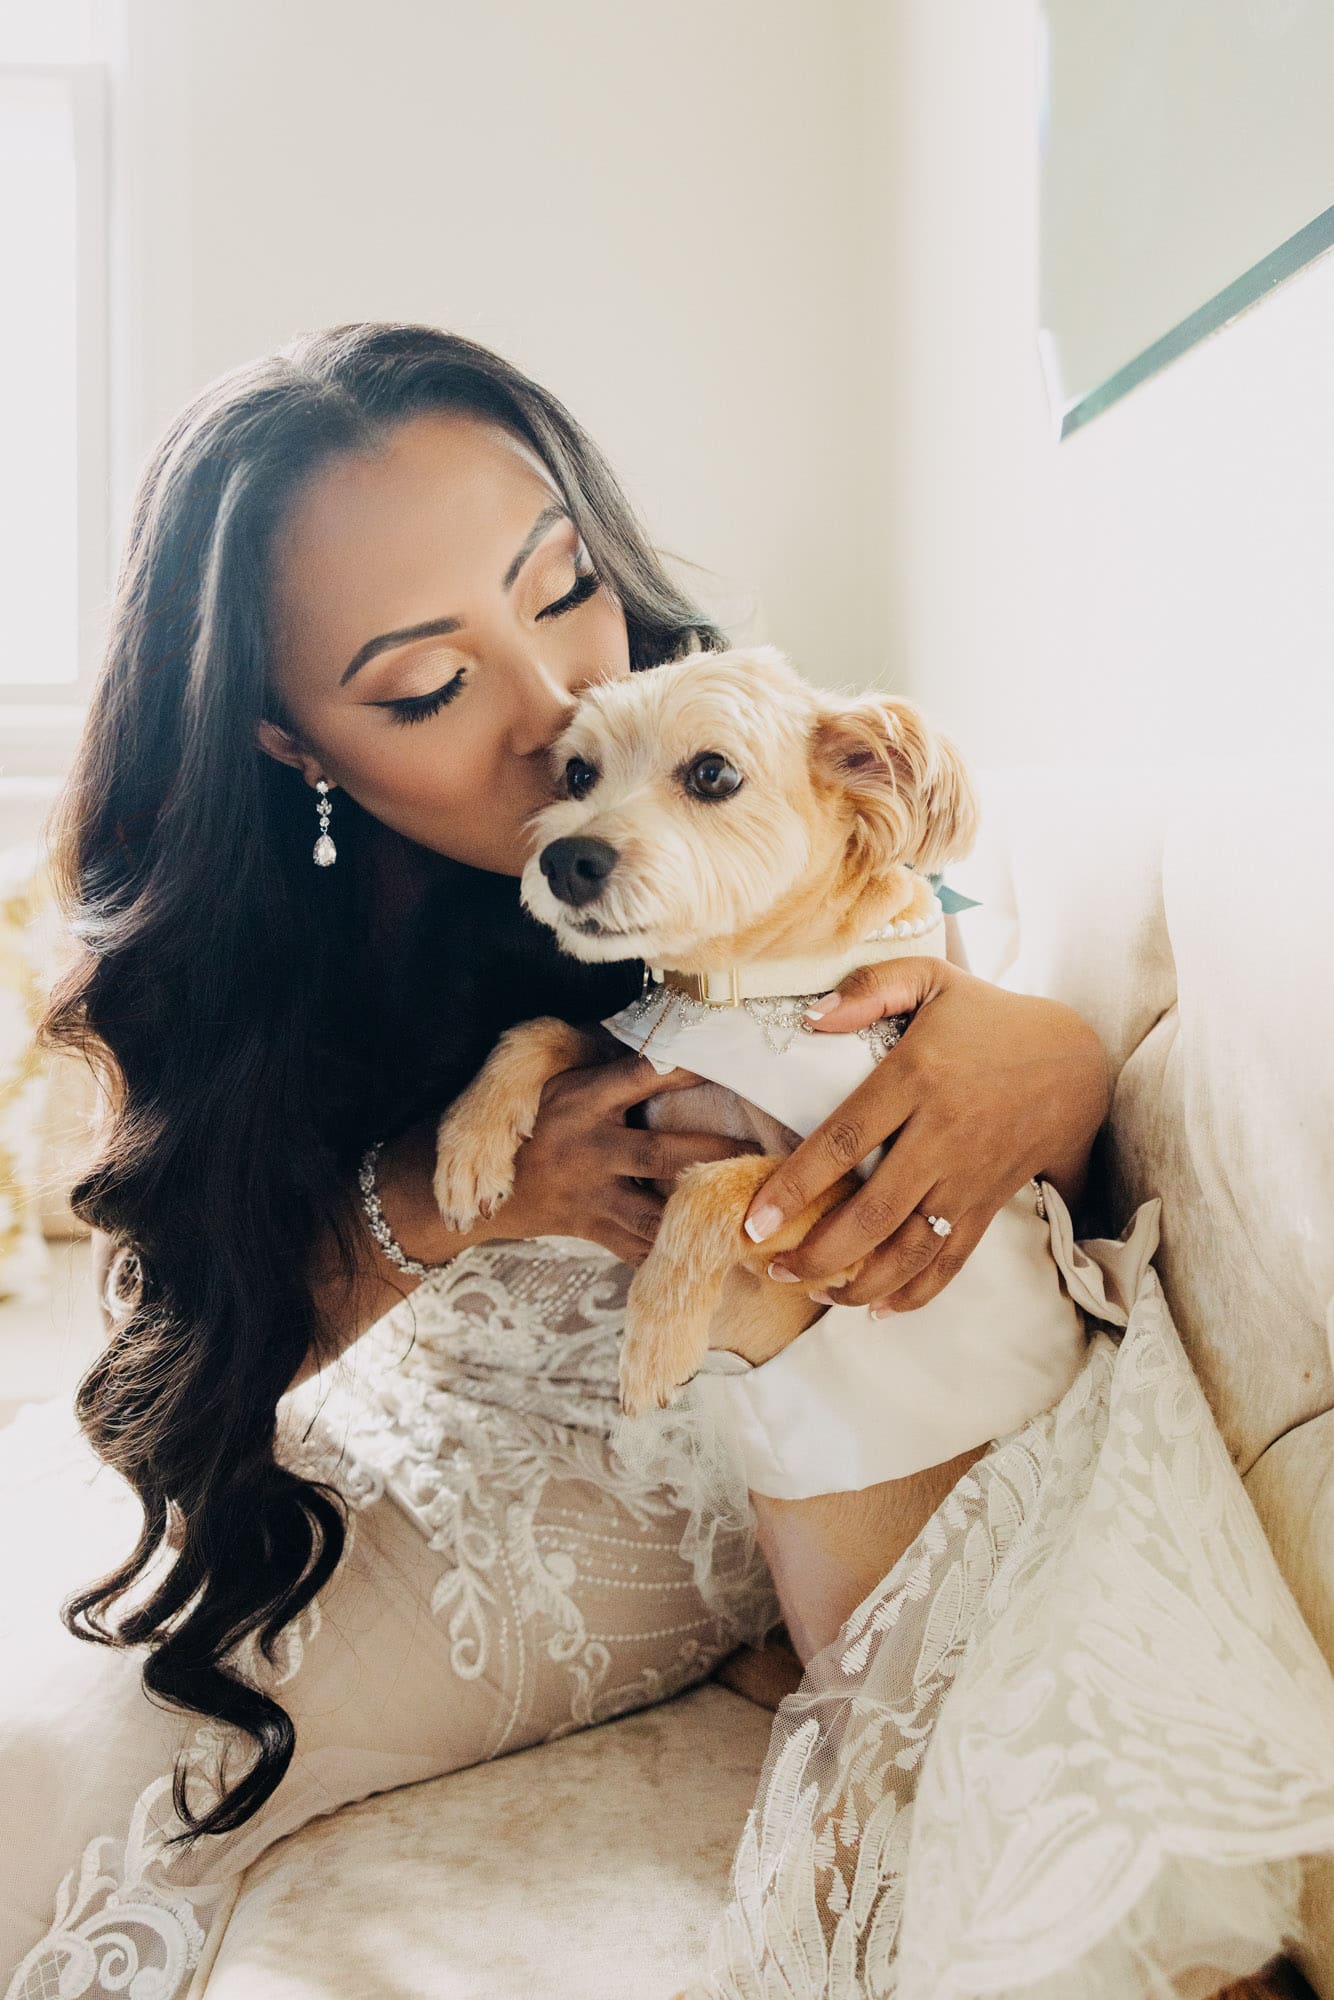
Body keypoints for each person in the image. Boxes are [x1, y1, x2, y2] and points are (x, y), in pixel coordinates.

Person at [7, 321, 1315, 2000]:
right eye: (424, 686)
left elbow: (932, 1027)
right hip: (358, 1420)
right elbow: (170, 1346)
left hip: (666, 1465)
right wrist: (442, 1204)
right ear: (292, 746)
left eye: (561, 588)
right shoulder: (244, 947)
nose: (557, 702)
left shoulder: (717, 758)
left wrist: (1041, 1057)